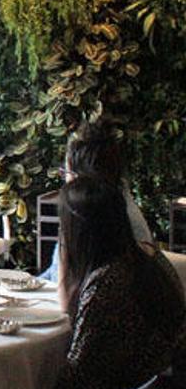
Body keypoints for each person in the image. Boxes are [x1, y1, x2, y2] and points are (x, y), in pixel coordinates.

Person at [42, 176, 186, 389]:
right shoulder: (149, 258)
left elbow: (79, 382)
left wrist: (65, 265)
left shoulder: (107, 282)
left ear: (77, 231)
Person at [39, 119, 153, 281]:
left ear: (83, 180)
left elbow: (68, 293)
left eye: (66, 173)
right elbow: (52, 275)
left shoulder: (103, 222)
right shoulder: (119, 204)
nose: (65, 183)